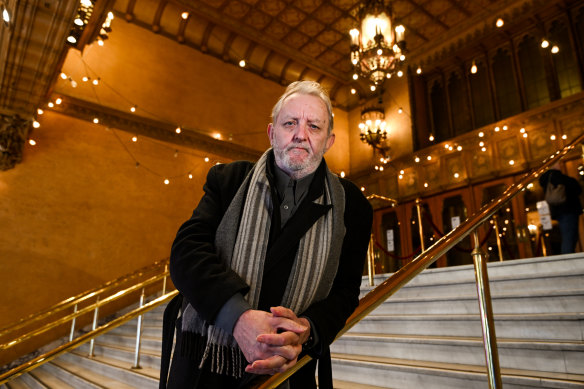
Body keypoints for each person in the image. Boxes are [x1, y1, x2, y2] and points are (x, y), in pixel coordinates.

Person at [160, 81, 373, 389]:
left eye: (314, 126)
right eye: (290, 123)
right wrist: (237, 318)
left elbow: (344, 292)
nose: (301, 134)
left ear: (328, 141)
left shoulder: (352, 206)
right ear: (273, 133)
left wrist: (306, 331)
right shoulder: (229, 180)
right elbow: (186, 254)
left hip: (290, 369)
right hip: (204, 365)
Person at [539, 166, 582, 254]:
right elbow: (577, 188)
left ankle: (569, 259)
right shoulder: (558, 177)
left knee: (569, 236)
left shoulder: (547, 180)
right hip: (568, 210)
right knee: (569, 237)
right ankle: (568, 261)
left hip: (560, 212)